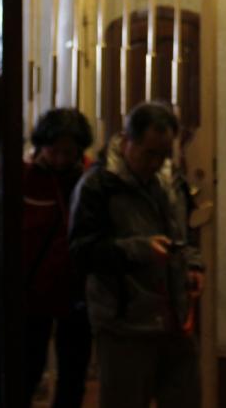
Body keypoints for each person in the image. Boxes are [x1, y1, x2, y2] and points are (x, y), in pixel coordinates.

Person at [68, 102, 204, 408]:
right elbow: (81, 253)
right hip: (124, 324)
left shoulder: (172, 181)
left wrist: (194, 265)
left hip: (175, 319)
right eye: (149, 153)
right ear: (127, 141)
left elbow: (185, 234)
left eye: (164, 154)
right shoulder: (98, 185)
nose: (156, 163)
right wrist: (137, 249)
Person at [20, 108, 94, 408]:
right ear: (41, 145)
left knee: (73, 377)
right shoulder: (23, 176)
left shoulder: (91, 178)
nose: (62, 159)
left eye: (69, 152)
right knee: (26, 370)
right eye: (55, 151)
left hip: (77, 292)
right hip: (31, 291)